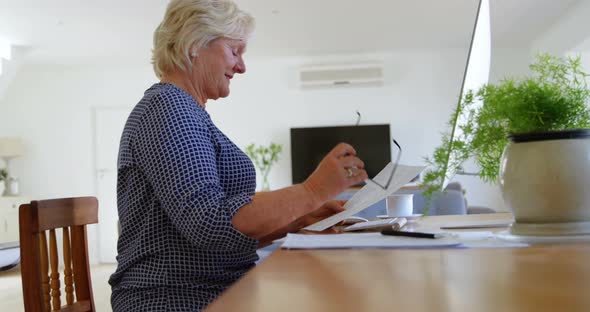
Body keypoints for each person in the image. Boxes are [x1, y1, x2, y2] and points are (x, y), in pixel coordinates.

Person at [109, 0, 368, 311]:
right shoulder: (169, 108)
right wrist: (311, 191)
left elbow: (224, 232)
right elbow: (210, 222)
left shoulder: (186, 111)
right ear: (195, 44)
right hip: (176, 298)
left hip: (209, 291)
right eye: (235, 51)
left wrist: (300, 217)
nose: (242, 66)